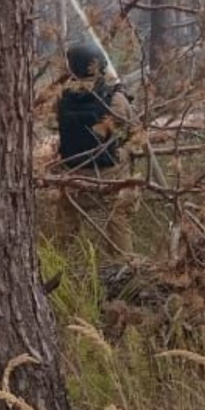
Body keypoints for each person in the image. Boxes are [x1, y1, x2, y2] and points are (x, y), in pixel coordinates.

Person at [51, 42, 135, 256]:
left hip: (72, 174)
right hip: (107, 176)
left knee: (64, 228)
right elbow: (130, 128)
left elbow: (56, 121)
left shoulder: (61, 97)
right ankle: (123, 263)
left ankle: (58, 261)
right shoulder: (115, 98)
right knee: (118, 215)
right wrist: (124, 96)